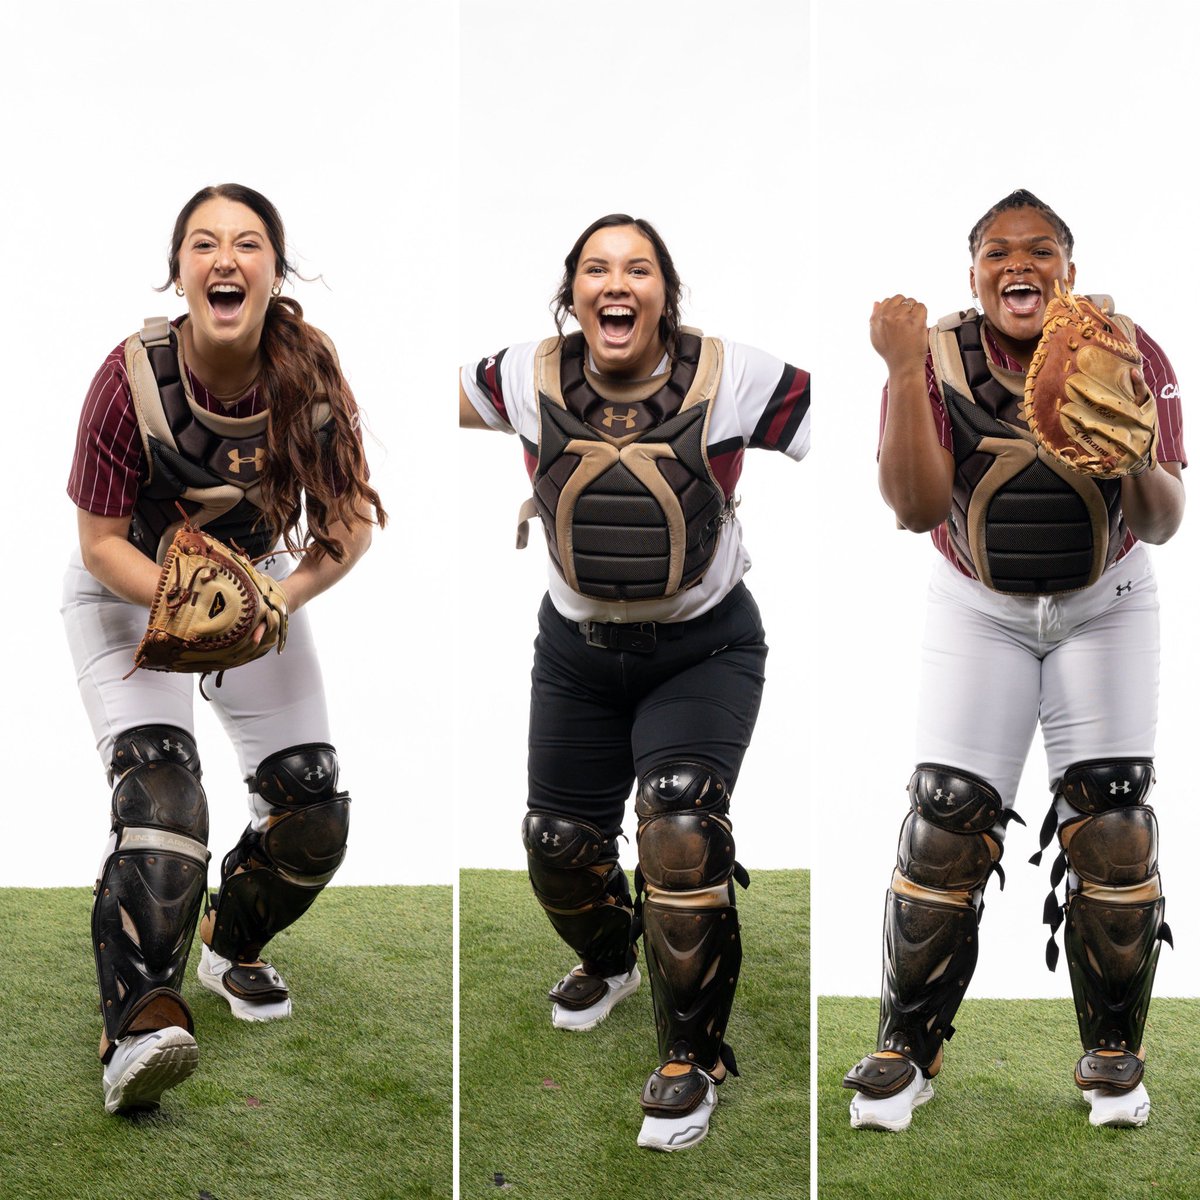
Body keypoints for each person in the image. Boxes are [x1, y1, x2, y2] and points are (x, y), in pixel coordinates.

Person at [459, 213, 810, 1151]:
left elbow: (852, 421)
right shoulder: (521, 375)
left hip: (705, 648)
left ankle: (691, 1062)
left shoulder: (735, 375)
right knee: (557, 845)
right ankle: (615, 960)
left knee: (681, 823)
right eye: (598, 270)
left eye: (640, 269)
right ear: (571, 294)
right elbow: (423, 393)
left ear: (666, 293)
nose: (618, 284)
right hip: (575, 656)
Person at [842, 190, 1185, 1131]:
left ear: (1068, 271)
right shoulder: (938, 355)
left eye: (1040, 250)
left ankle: (1114, 1053)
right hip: (979, 607)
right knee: (946, 821)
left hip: (1105, 604)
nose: (1018, 264)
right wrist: (904, 365)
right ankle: (907, 1048)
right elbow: (915, 510)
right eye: (998, 252)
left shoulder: (1128, 348)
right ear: (975, 273)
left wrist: (1135, 453)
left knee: (1114, 824)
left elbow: (1161, 522)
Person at [63, 183, 386, 1114]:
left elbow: (347, 527)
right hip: (129, 593)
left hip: (251, 591)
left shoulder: (309, 376)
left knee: (315, 813)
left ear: (275, 270)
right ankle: (135, 1024)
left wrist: (263, 604)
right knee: (166, 797)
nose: (225, 257)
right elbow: (99, 542)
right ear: (180, 272)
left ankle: (227, 944)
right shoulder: (128, 379)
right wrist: (189, 606)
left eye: (247, 242)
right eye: (203, 243)